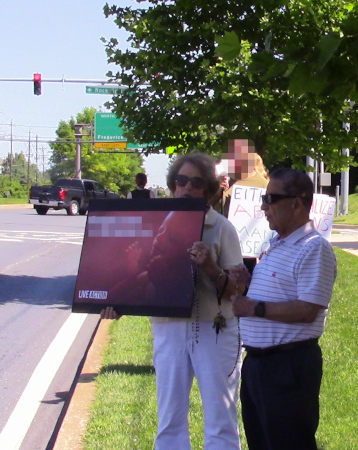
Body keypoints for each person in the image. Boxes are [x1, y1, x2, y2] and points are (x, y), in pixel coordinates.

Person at [102, 152, 244, 449]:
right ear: (172, 184)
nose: (187, 187)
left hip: (214, 330)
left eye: (197, 182)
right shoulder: (159, 221)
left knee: (220, 418)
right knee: (169, 420)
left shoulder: (221, 228)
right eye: (181, 181)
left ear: (208, 189)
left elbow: (237, 292)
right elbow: (144, 279)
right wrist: (118, 303)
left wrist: (211, 268)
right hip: (168, 327)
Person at [230, 168, 337, 450]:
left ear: (297, 203)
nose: (263, 207)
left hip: (287, 365)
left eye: (270, 199)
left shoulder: (314, 248)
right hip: (258, 365)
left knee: (289, 442)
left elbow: (307, 310)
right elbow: (278, 292)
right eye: (263, 199)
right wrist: (248, 284)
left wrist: (253, 308)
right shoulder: (274, 243)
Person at [212, 139, 270, 274]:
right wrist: (218, 190)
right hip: (225, 244)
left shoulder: (264, 184)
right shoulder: (226, 181)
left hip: (250, 251)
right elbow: (211, 208)